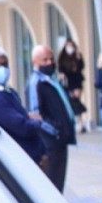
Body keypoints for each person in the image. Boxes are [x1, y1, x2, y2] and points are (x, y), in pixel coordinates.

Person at [0, 45, 48, 165]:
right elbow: (21, 127)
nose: (2, 69)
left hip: (25, 158)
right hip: (16, 162)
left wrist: (29, 117)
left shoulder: (2, 89)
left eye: (5, 65)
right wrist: (43, 122)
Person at [28, 44, 77, 190]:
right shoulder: (36, 82)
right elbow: (35, 114)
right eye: (45, 60)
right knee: (52, 181)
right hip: (50, 141)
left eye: (51, 59)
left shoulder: (52, 79)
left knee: (59, 180)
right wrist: (55, 131)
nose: (50, 63)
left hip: (60, 139)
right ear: (35, 62)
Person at [57, 38, 88, 134]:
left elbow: (81, 67)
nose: (70, 48)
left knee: (76, 102)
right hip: (67, 83)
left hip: (77, 82)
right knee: (70, 103)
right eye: (68, 46)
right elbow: (60, 69)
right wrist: (61, 75)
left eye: (71, 46)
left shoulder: (77, 56)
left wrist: (79, 58)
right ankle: (76, 123)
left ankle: (80, 123)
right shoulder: (62, 57)